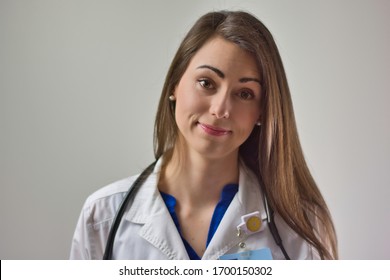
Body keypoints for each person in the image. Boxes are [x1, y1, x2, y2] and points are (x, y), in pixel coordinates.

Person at [70, 10, 338, 260]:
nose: (220, 109)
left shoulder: (302, 227)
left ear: (261, 112)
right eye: (206, 83)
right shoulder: (102, 217)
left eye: (245, 94)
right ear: (174, 84)